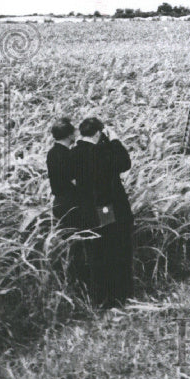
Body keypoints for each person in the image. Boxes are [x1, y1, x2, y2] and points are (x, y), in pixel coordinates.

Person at [73, 117, 134, 308]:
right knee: (113, 248)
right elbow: (124, 163)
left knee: (95, 254)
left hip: (85, 211)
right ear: (99, 133)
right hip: (105, 209)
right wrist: (114, 140)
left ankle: (99, 299)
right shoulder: (101, 151)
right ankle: (117, 297)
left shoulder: (73, 153)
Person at [47, 117, 80, 226]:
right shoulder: (68, 155)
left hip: (58, 204)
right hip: (72, 207)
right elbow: (77, 182)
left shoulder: (51, 153)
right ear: (69, 135)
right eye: (74, 131)